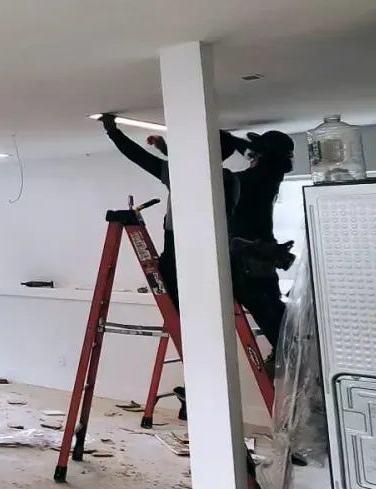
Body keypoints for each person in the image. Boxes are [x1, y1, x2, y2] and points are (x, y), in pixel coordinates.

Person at [99, 114, 242, 309]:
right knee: (202, 296)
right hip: (214, 244)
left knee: (176, 297)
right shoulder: (230, 180)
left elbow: (138, 156)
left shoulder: (182, 175)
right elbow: (196, 164)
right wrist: (166, 149)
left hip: (179, 244)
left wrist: (112, 131)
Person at [228, 130, 296, 350]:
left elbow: (225, 180)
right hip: (259, 258)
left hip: (251, 262)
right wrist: (225, 138)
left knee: (272, 318)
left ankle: (290, 364)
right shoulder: (272, 173)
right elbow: (246, 149)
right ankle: (289, 360)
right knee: (275, 316)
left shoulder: (251, 179)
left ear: (263, 155)